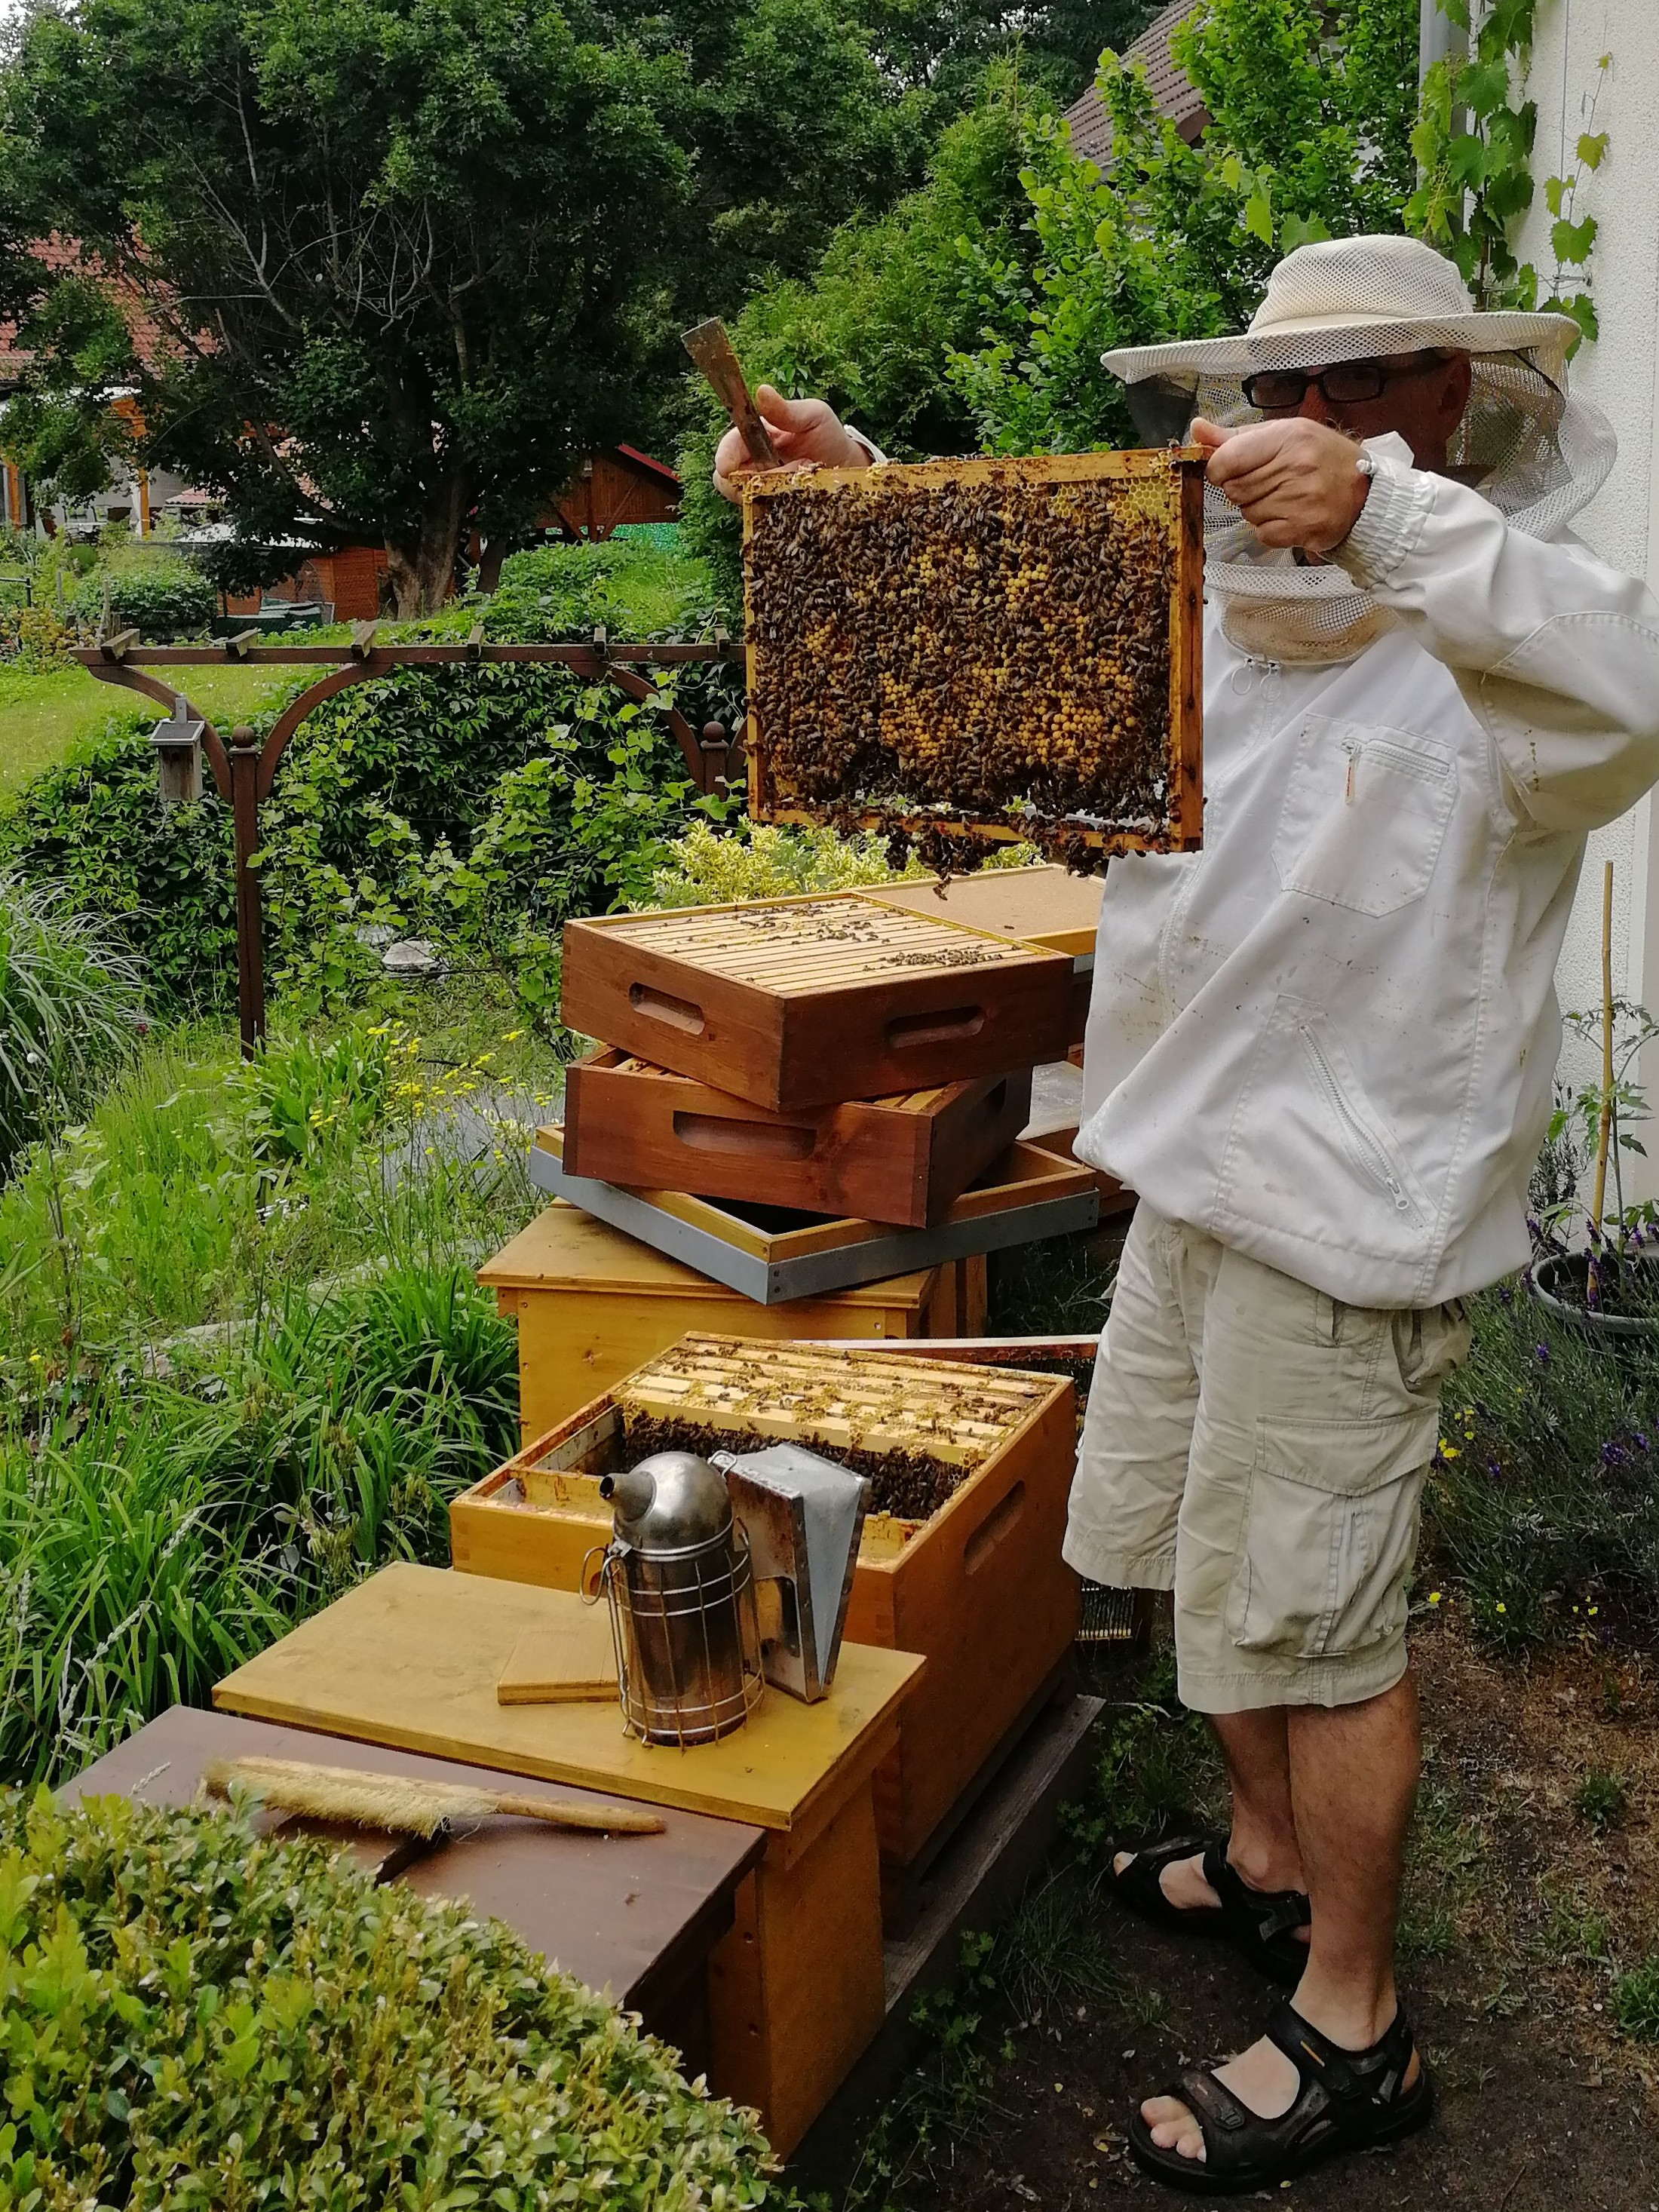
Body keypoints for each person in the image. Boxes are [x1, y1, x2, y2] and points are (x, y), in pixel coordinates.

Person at [713, 234, 1659, 2192]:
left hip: (1354, 1222)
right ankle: (1265, 1860)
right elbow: (998, 622)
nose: (1309, 422)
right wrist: (845, 492)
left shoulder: (1514, 637)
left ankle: (1356, 2026)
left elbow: (1639, 686)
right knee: (1174, 1551)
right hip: (1187, 1171)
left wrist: (1386, 513)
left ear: (1456, 399)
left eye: (1362, 387)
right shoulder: (1213, 600)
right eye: (1285, 388)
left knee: (1319, 1628)